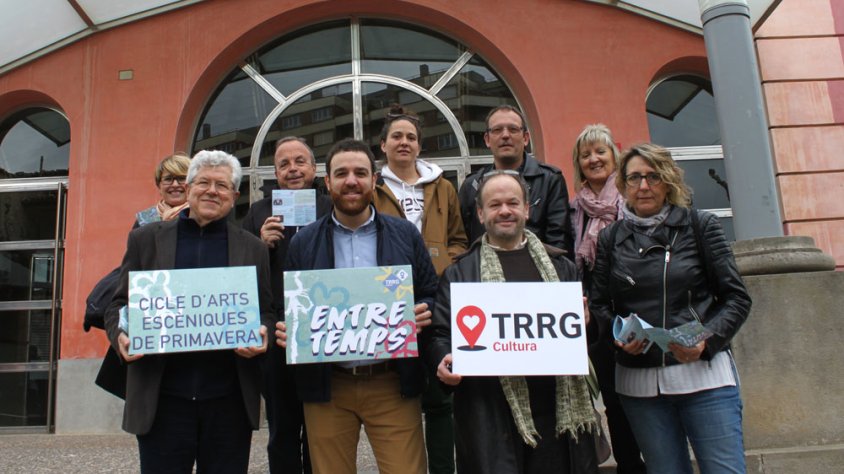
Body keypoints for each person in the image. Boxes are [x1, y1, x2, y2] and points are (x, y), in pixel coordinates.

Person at [104, 150, 274, 473]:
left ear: (235, 195)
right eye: (204, 183)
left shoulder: (253, 248)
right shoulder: (145, 240)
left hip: (228, 403)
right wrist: (121, 335)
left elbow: (265, 310)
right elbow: (117, 303)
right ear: (189, 187)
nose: (212, 191)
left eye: (222, 186)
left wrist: (263, 332)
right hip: (163, 400)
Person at [277, 138, 439, 474]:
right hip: (328, 386)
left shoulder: (405, 234)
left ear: (374, 180)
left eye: (360, 173)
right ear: (328, 182)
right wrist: (287, 328)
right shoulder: (303, 242)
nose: (351, 180)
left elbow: (429, 292)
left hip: (391, 382)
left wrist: (422, 309)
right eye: (342, 173)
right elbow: (289, 306)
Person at [589, 143, 752, 474]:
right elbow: (599, 303)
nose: (644, 186)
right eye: (634, 178)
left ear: (669, 181)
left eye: (652, 177)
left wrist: (707, 339)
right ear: (622, 185)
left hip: (705, 378)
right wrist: (618, 337)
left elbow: (736, 297)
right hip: (640, 385)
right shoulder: (610, 238)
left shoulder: (700, 226)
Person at [427, 170, 599, 474]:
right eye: (494, 205)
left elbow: (585, 338)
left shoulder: (562, 267)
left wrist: (586, 322)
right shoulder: (459, 273)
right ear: (481, 214)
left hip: (556, 414)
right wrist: (443, 360)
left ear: (526, 209)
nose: (504, 211)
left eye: (512, 203)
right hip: (491, 413)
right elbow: (441, 334)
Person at [372, 105, 467, 474]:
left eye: (411, 137)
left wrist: (445, 263)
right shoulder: (373, 187)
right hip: (389, 302)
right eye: (396, 136)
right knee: (399, 397)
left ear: (419, 145)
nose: (404, 142)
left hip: (438, 299)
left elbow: (459, 238)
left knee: (441, 398)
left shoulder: (443, 186)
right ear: (383, 145)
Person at [242, 136, 332, 474]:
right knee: (281, 426)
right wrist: (259, 245)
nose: (292, 169)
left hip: (323, 326)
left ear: (313, 168)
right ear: (275, 173)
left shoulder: (330, 206)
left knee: (320, 424)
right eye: (284, 164)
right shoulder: (258, 212)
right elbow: (238, 273)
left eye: (299, 162)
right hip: (277, 331)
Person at [570, 125, 645, 474]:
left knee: (642, 392)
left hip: (633, 307)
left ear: (614, 155)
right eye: (586, 155)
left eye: (600, 151)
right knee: (611, 397)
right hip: (592, 314)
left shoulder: (631, 200)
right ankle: (629, 464)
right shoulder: (575, 208)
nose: (593, 159)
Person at [458, 105, 574, 257]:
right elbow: (464, 241)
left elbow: (559, 241)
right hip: (483, 274)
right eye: (497, 130)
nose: (505, 135)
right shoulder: (471, 186)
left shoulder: (550, 180)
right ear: (487, 139)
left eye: (513, 129)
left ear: (525, 138)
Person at [134, 153, 192, 227]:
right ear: (159, 185)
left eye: (182, 178)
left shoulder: (202, 217)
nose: (175, 184)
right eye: (168, 179)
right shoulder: (144, 219)